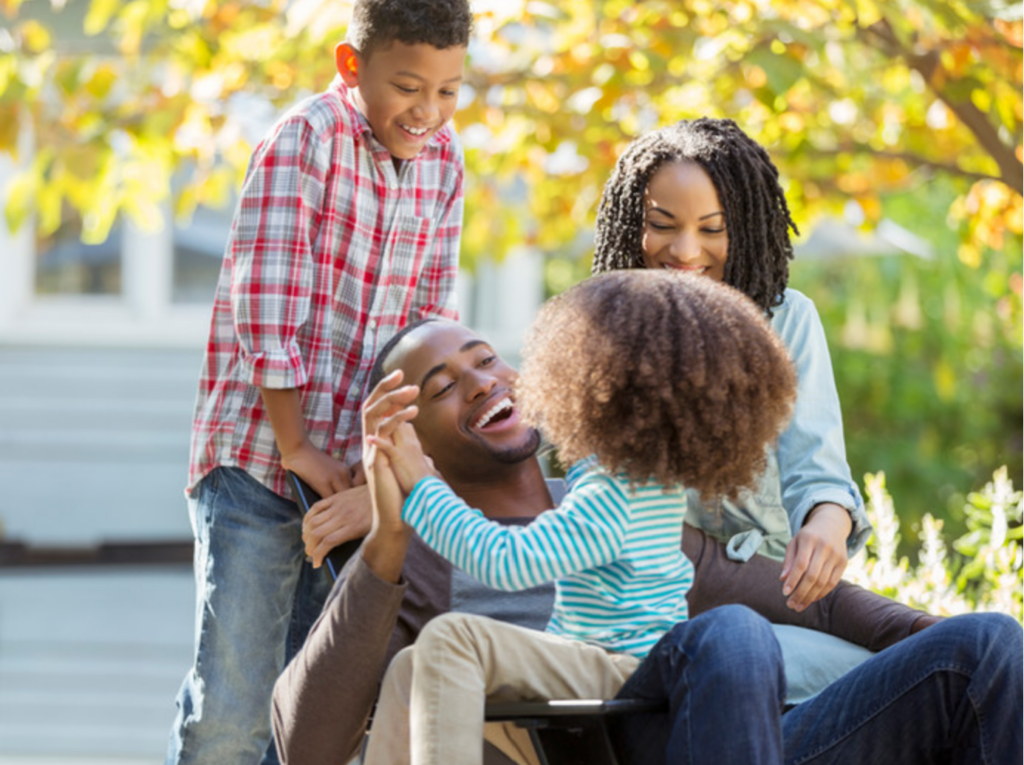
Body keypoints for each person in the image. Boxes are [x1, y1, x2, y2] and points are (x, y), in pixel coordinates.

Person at [271, 317, 956, 765]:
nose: (481, 380)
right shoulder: (416, 557)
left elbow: (806, 598)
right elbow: (308, 744)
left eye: (487, 360)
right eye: (444, 385)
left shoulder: (614, 506)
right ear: (410, 440)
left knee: (971, 648)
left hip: (661, 736)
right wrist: (389, 535)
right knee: (422, 663)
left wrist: (930, 633)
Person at [166, 2, 473, 763]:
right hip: (259, 465)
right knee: (231, 711)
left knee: (308, 716)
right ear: (350, 66)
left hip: (347, 484)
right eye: (408, 86)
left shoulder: (444, 164)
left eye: (448, 91)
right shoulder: (306, 140)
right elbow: (265, 303)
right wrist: (296, 441)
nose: (428, 111)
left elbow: (428, 334)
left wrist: (381, 484)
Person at [361, 270, 801, 764]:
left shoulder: (617, 492)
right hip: (594, 666)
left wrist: (421, 486)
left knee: (448, 638)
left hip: (620, 674)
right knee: (411, 666)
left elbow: (504, 561)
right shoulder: (633, 479)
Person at [592, 117, 867, 612]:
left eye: (712, 229)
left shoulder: (786, 321)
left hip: (774, 588)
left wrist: (829, 519)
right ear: (630, 223)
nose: (685, 251)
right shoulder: (603, 329)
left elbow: (818, 472)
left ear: (744, 228)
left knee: (932, 647)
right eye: (661, 225)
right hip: (652, 602)